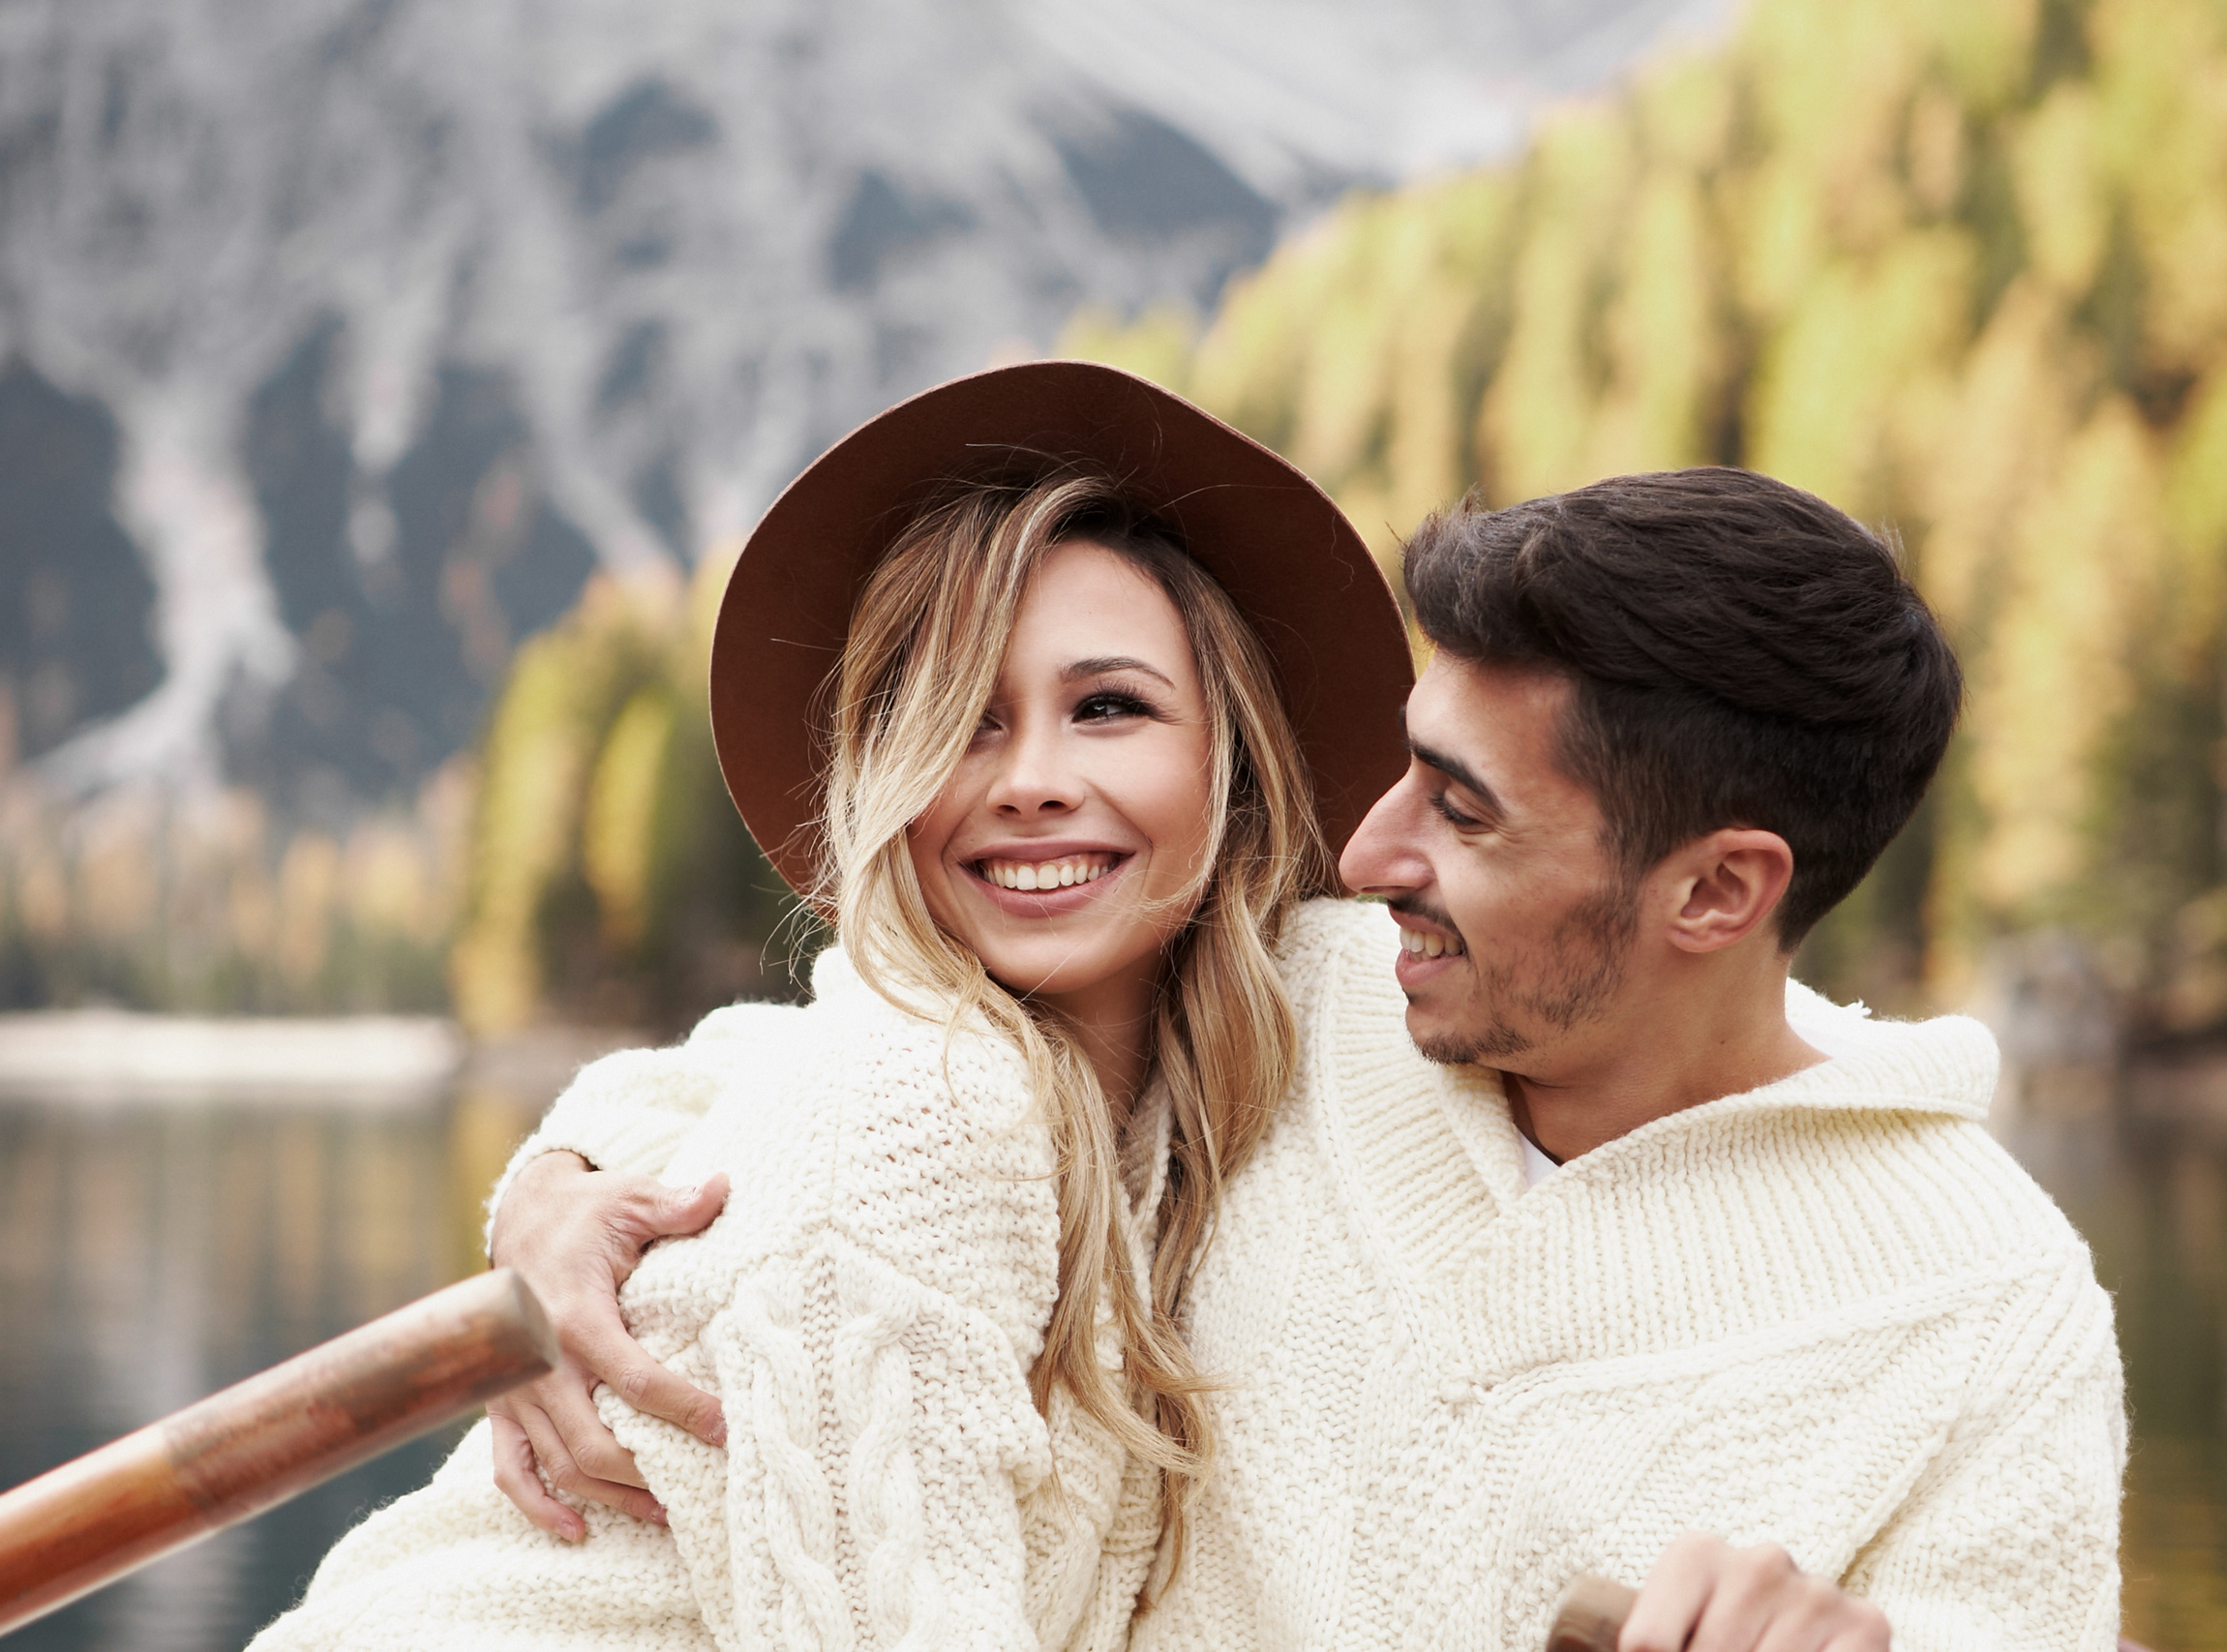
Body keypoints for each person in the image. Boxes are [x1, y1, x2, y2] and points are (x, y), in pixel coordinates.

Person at [498, 466, 2126, 1650]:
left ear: (1718, 891)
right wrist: (562, 1184)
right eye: (1410, 767)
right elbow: (852, 1057)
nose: (1362, 848)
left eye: (1463, 810)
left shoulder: (1992, 1310)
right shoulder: (1293, 991)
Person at [246, 360, 1416, 1650]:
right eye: (960, 721)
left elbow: (728, 1062)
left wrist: (557, 1168)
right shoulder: (931, 1103)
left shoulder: (1162, 1098)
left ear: (1232, 765)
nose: (1029, 779)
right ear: (889, 779)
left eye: (1107, 708)